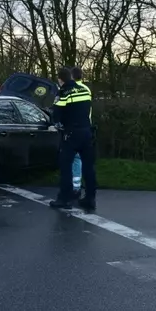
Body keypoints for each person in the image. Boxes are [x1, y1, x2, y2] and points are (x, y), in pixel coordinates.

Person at [50, 66, 97, 211]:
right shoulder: (84, 90)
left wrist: (57, 121)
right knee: (89, 168)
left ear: (60, 79)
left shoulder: (63, 92)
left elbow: (56, 114)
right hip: (87, 132)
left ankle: (65, 198)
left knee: (65, 166)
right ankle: (90, 198)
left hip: (71, 134)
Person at [69, 66, 91, 197]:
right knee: (79, 158)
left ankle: (71, 188)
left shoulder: (69, 89)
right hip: (86, 128)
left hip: (73, 129)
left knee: (70, 158)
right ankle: (77, 187)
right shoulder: (86, 89)